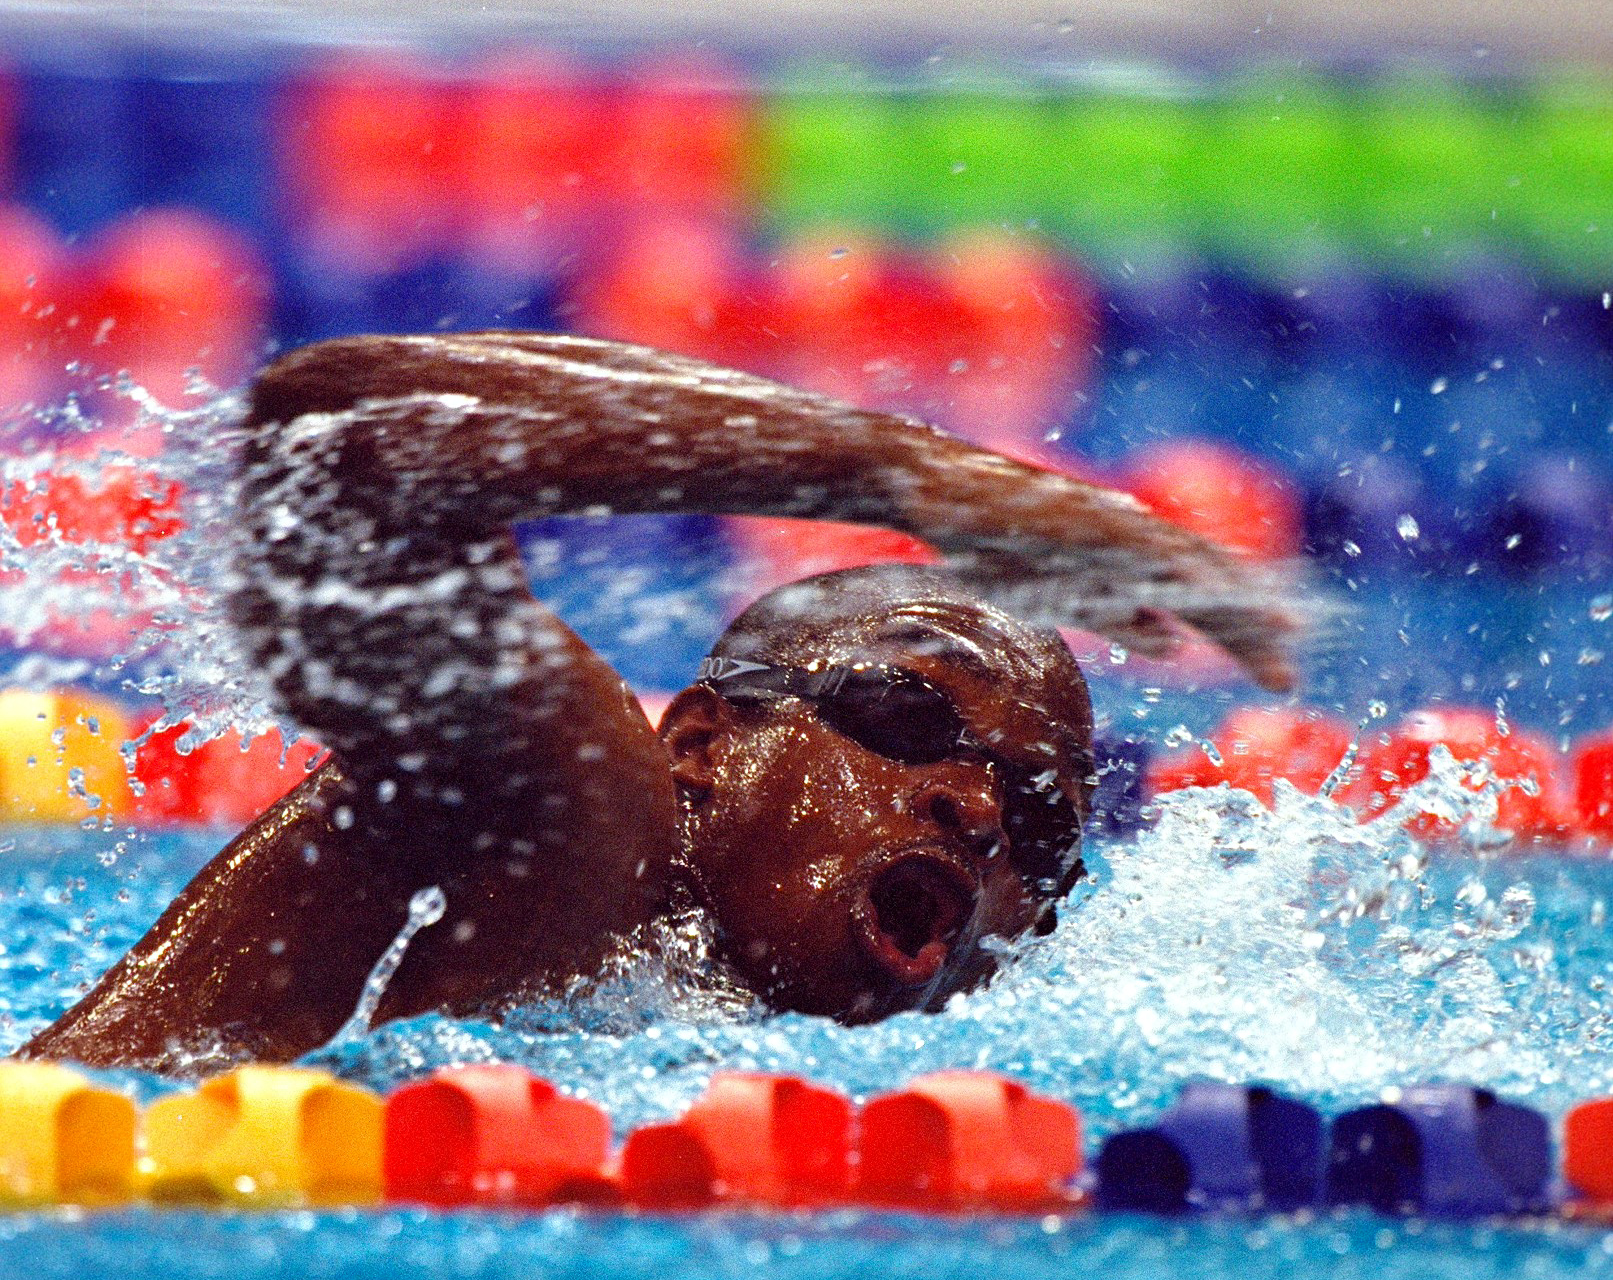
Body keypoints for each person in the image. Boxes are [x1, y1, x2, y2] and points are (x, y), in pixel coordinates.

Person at [23, 331, 1294, 1072]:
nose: (973, 806)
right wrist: (894, 469)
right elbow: (347, 433)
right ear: (699, 744)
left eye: (1041, 816)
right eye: (905, 716)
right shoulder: (585, 816)